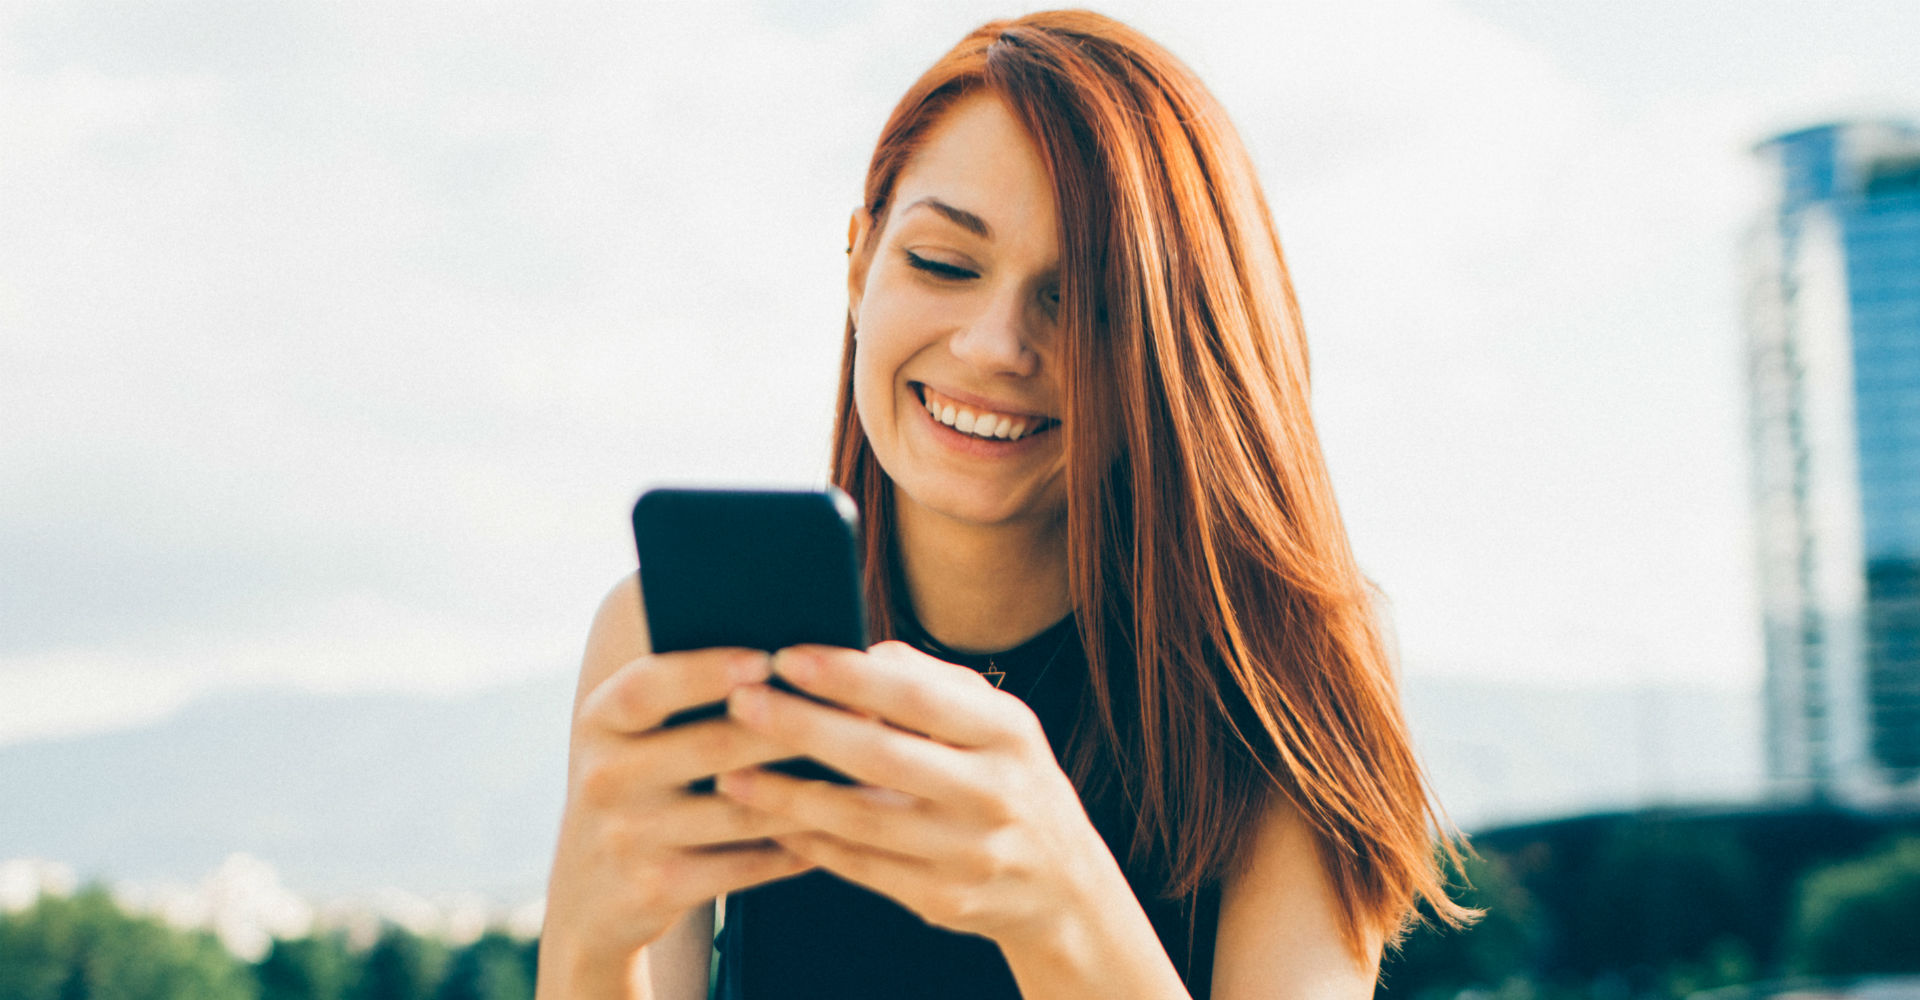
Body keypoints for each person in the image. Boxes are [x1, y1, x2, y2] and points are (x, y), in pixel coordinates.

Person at [537, 10, 1473, 999]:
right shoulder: (669, 636)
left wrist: (1058, 902)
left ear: (1173, 345)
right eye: (943, 263)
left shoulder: (1285, 651)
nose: (994, 345)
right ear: (859, 265)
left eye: (1087, 298)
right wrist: (593, 940)